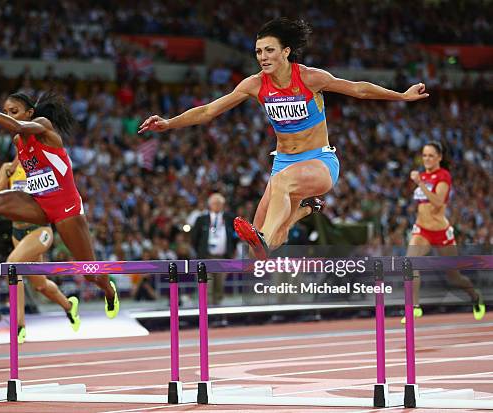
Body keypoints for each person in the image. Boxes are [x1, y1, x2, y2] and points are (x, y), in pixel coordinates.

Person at [138, 17, 429, 259]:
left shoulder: (310, 78)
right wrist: (169, 123)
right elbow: (209, 110)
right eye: (258, 52)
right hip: (284, 163)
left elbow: (358, 89)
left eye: (269, 50)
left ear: (286, 52)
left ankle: (267, 232)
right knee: (259, 251)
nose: (263, 57)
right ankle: (300, 213)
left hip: (319, 161)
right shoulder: (254, 84)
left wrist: (401, 95)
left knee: (271, 210)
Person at [0, 88, 119, 320]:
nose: (10, 115)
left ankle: (110, 292)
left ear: (30, 113)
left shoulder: (43, 126)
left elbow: (20, 128)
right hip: (39, 204)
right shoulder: (17, 142)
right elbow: (22, 142)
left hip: (66, 208)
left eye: (14, 111)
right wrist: (10, 167)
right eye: (6, 112)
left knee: (90, 273)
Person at [0, 157, 80, 343]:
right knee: (40, 284)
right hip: (18, 233)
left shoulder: (40, 165)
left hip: (40, 230)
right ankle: (69, 305)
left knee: (12, 266)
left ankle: (19, 326)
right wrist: (8, 174)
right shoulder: (7, 166)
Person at [404, 141, 485, 323]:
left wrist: (420, 183)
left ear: (439, 157)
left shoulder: (444, 176)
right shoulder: (423, 176)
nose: (427, 159)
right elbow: (422, 203)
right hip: (422, 230)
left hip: (441, 233)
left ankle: (475, 297)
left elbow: (438, 202)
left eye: (431, 155)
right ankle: (413, 308)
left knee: (454, 277)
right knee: (409, 263)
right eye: (424, 155)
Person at [191, 193, 237, 305]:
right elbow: (194, 239)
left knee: (220, 286)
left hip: (222, 258)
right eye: (214, 203)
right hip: (206, 258)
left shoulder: (230, 218)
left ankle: (218, 313)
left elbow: (235, 237)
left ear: (223, 205)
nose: (217, 205)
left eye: (219, 203)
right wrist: (201, 252)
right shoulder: (201, 219)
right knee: (207, 286)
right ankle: (207, 313)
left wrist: (231, 252)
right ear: (209, 205)